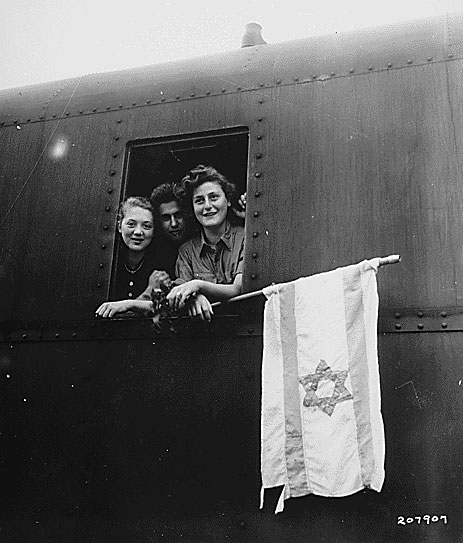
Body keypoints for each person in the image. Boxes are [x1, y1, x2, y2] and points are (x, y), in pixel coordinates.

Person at [166, 165, 245, 322]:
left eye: (214, 197)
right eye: (199, 200)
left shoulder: (244, 238)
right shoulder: (187, 251)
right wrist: (195, 298)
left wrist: (197, 286)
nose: (207, 206)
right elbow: (180, 294)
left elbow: (238, 289)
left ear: (228, 200)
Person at [96, 196, 170, 318]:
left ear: (154, 231)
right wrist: (147, 292)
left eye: (146, 226)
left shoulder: (162, 263)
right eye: (131, 224)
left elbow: (162, 310)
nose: (138, 232)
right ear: (119, 226)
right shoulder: (107, 260)